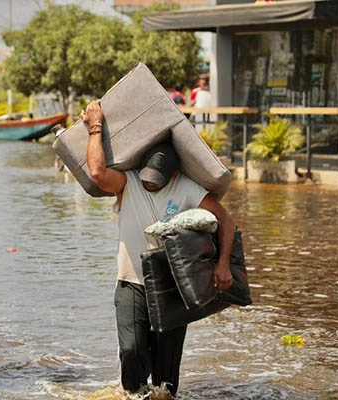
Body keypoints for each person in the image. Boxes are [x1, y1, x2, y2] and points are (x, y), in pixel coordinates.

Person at [82, 100, 234, 396]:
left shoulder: (189, 188)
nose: (150, 184)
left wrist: (223, 264)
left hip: (172, 288)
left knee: (166, 381)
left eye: (158, 181)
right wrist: (95, 126)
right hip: (131, 285)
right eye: (147, 179)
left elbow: (225, 221)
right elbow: (99, 173)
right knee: (131, 351)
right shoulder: (129, 182)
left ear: (175, 175)